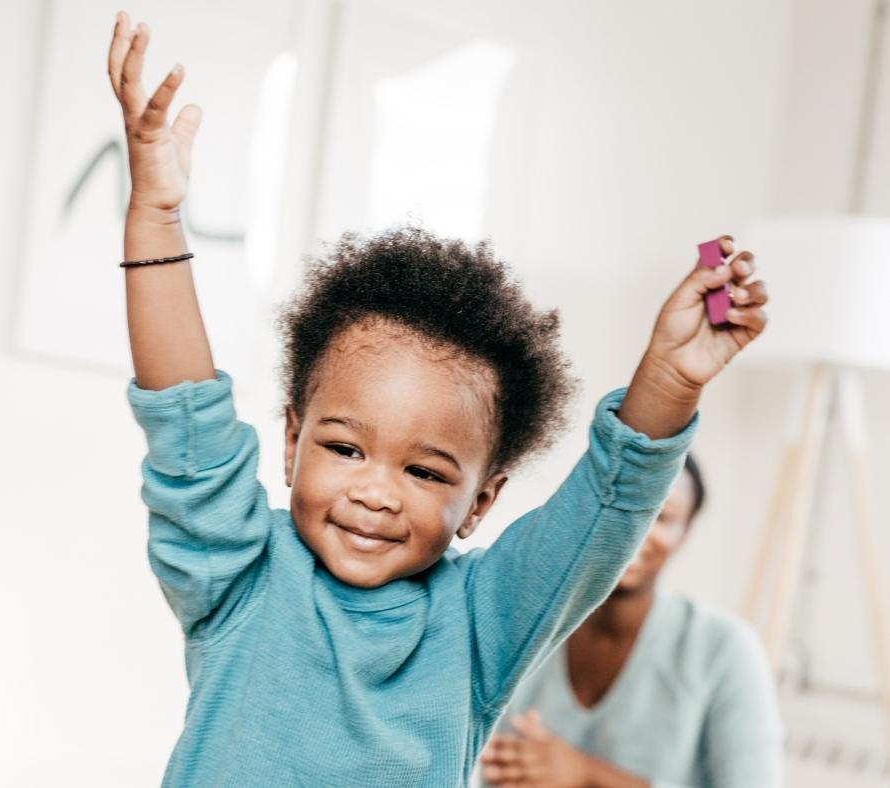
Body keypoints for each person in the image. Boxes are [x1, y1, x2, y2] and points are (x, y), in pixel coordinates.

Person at [108, 11, 769, 786]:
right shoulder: (241, 574)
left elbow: (602, 511)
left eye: (424, 472)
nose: (376, 493)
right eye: (345, 448)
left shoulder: (483, 622)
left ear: (482, 500)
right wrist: (154, 213)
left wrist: (671, 379)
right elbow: (185, 416)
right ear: (292, 441)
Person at [480, 455, 783, 788]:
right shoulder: (525, 625)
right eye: (620, 506)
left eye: (660, 516)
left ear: (685, 531)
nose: (634, 529)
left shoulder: (724, 648)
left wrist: (585, 775)